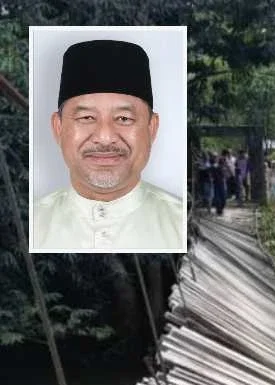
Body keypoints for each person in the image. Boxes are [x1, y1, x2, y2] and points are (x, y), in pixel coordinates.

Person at [31, 39, 183, 251]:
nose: (104, 137)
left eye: (123, 119)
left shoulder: (182, 225)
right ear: (58, 128)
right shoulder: (30, 225)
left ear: (152, 128)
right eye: (86, 118)